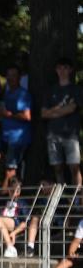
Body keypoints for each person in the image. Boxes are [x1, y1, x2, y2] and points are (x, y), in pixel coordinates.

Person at [41, 57, 83, 186]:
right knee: (57, 168)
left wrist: (53, 112)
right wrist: (61, 109)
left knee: (74, 167)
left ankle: (79, 200)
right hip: (53, 135)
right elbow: (43, 114)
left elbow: (72, 108)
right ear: (56, 70)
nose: (62, 70)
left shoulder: (76, 89)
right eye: (59, 67)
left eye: (65, 67)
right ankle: (62, 199)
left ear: (70, 70)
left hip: (71, 135)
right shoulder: (50, 91)